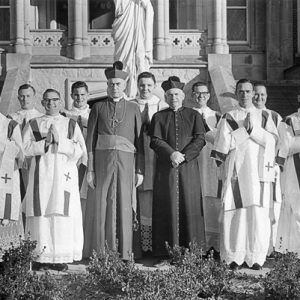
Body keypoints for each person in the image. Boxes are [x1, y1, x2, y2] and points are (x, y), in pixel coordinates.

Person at [211, 79, 278, 270]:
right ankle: (234, 256)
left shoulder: (265, 116)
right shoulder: (229, 117)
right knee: (236, 212)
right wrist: (242, 132)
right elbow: (222, 146)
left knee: (257, 213)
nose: (245, 95)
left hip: (258, 173)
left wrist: (253, 131)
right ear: (236, 93)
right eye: (241, 91)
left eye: (248, 91)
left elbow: (273, 141)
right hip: (237, 172)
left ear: (253, 93)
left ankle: (256, 257)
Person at [83, 61, 143, 261]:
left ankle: (125, 253)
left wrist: (140, 170)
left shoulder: (134, 108)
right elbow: (90, 141)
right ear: (107, 85)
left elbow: (140, 141)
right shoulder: (98, 107)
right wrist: (90, 170)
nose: (114, 87)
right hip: (102, 162)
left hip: (126, 163)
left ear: (124, 85)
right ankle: (102, 252)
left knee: (125, 203)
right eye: (111, 84)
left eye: (118, 84)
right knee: (102, 203)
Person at [23, 89, 87, 270]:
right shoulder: (33, 124)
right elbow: (24, 149)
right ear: (42, 103)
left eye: (55, 100)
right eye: (47, 101)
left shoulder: (70, 124)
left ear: (60, 102)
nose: (51, 104)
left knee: (62, 214)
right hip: (41, 176)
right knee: (41, 213)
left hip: (63, 177)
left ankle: (59, 258)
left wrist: (60, 142)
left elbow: (80, 151)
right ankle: (40, 257)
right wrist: (44, 143)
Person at [150, 76, 206, 258]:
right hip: (166, 168)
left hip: (188, 168)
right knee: (166, 206)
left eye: (176, 94)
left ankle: (192, 254)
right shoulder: (158, 116)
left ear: (182, 96)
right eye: (170, 94)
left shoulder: (194, 115)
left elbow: (200, 139)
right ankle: (166, 254)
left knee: (189, 206)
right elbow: (155, 140)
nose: (173, 97)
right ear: (165, 97)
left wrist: (184, 156)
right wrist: (171, 154)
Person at [131, 72, 167, 255]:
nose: (145, 89)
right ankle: (141, 246)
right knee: (140, 199)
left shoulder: (162, 105)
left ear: (154, 86)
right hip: (137, 156)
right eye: (142, 85)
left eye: (149, 85)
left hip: (157, 158)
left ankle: (158, 244)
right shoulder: (131, 104)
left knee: (158, 199)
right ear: (137, 85)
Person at [191, 82, 222, 253]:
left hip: (210, 162)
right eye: (197, 93)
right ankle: (195, 245)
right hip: (193, 161)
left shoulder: (217, 116)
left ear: (209, 95)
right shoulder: (186, 114)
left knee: (211, 201)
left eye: (204, 93)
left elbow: (221, 139)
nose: (200, 96)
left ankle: (213, 246)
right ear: (192, 95)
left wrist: (206, 128)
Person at [253, 83, 282, 253]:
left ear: (267, 96)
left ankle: (271, 247)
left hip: (270, 167)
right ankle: (256, 245)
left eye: (262, 94)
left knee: (272, 207)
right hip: (252, 169)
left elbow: (281, 142)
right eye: (256, 94)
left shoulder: (275, 116)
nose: (259, 98)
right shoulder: (245, 115)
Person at [8, 84, 43, 200]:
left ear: (34, 97)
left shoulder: (41, 118)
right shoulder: (11, 118)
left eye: (28, 96)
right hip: (15, 161)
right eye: (22, 96)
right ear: (18, 98)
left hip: (34, 160)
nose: (25, 99)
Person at [112, 0, 154, 98]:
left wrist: (144, 3)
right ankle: (125, 92)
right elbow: (119, 9)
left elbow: (149, 9)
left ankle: (139, 93)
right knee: (123, 62)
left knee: (140, 60)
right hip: (124, 27)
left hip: (140, 31)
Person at [63, 81, 90, 222]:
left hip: (89, 161)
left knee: (86, 196)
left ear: (88, 95)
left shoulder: (94, 113)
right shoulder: (64, 115)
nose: (79, 98)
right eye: (76, 95)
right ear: (71, 95)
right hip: (71, 162)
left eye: (82, 94)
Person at [275, 105, 300, 255]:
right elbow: (285, 147)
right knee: (296, 209)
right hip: (294, 172)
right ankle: (295, 252)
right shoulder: (290, 120)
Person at [0, 113, 24, 258]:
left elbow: (21, 154)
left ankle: (8, 261)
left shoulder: (10, 125)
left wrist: (6, 146)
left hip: (6, 175)